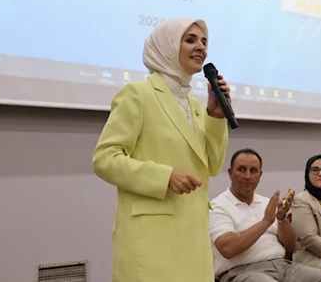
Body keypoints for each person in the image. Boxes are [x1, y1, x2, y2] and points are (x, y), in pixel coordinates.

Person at [92, 18, 230, 282]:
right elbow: (104, 158)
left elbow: (212, 166)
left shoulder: (195, 106)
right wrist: (164, 177)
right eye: (190, 40)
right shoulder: (138, 94)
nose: (201, 47)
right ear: (166, 46)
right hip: (153, 240)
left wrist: (215, 117)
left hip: (193, 239)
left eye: (204, 42)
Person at [209, 149, 321, 282]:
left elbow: (291, 247)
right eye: (242, 170)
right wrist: (265, 222)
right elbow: (227, 248)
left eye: (253, 171)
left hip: (281, 266)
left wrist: (281, 219)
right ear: (230, 173)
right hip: (240, 271)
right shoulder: (218, 205)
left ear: (260, 175)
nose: (248, 176)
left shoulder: (266, 203)